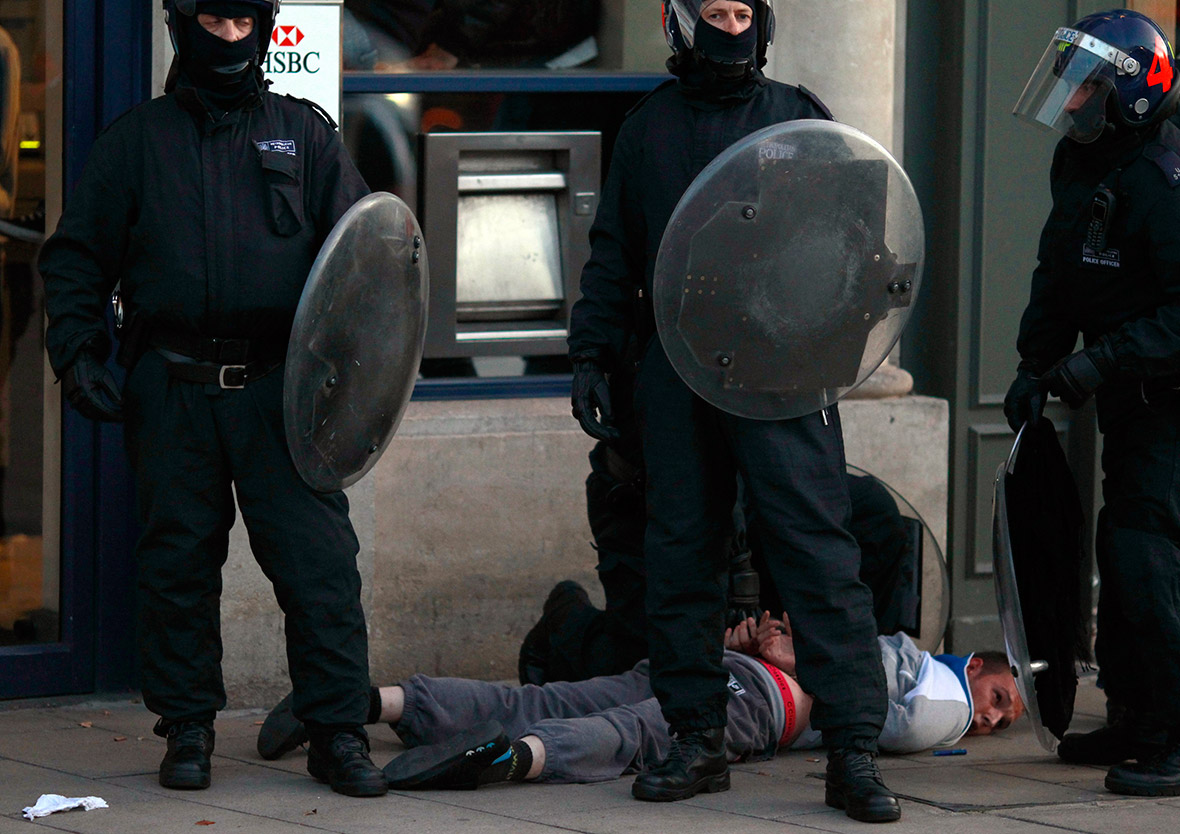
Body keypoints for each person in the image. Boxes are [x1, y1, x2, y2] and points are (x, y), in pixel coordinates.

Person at [38, 1, 386, 798]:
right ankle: (187, 728)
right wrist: (77, 348)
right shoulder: (137, 142)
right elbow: (76, 257)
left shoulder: (304, 135)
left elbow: (365, 257)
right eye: (212, 22)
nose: (227, 39)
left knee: (320, 568)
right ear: (180, 27)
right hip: (175, 387)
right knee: (178, 568)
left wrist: (358, 377)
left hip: (282, 393)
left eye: (241, 23)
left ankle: (336, 733)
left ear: (262, 28)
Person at [566, 0, 898, 821]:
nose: (729, 26)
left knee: (818, 554)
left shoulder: (796, 118)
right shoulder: (648, 129)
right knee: (682, 555)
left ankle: (853, 749)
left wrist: (835, 346)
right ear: (680, 24)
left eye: (741, 10)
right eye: (713, 10)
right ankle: (697, 739)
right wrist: (590, 354)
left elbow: (859, 248)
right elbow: (615, 255)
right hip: (676, 373)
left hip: (780, 375)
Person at [1006, 9, 1180, 797]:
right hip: (1129, 397)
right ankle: (1137, 719)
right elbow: (1061, 268)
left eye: (1085, 86)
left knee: (1148, 560)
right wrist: (1034, 363)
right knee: (1123, 550)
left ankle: (1173, 738)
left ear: (1130, 92)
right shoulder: (1082, 164)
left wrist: (1098, 363)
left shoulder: (1164, 179)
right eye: (1068, 82)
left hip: (1168, 400)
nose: (1069, 100)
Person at [256, 613, 1023, 790]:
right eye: (996, 697)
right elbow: (861, 693)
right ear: (976, 663)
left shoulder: (930, 691)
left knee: (544, 696)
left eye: (998, 721)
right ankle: (517, 761)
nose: (988, 717)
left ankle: (360, 702)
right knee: (630, 735)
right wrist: (787, 658)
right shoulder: (915, 668)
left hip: (711, 664)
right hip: (757, 698)